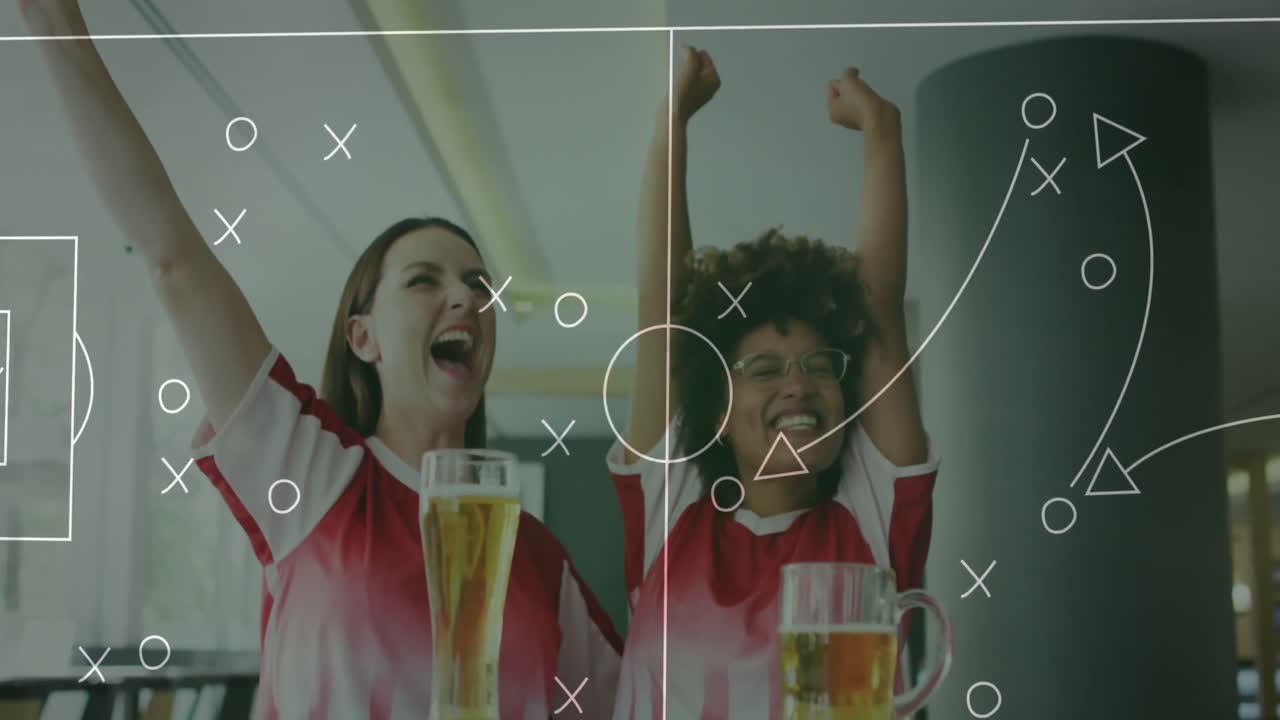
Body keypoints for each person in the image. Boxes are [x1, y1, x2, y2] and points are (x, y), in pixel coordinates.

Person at [21, 2, 622, 717]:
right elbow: (171, 254)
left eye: (478, 286)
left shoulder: (539, 559)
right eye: (425, 279)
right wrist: (55, 24)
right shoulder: (313, 476)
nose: (465, 298)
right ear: (361, 336)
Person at [608, 45, 940, 719]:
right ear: (719, 409)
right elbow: (663, 312)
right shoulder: (671, 508)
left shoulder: (871, 514)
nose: (799, 384)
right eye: (764, 370)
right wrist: (672, 123)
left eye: (821, 366)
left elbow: (877, 312)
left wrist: (882, 135)